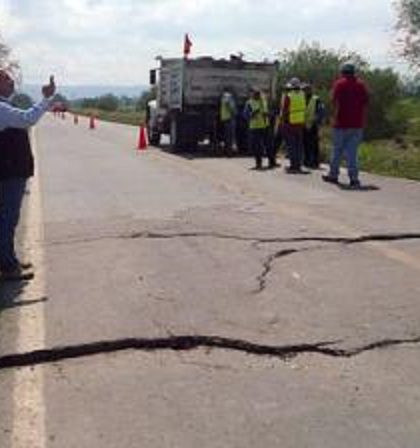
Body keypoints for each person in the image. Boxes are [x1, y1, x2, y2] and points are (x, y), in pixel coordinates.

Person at [0, 69, 56, 281]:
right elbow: (27, 119)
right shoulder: (1, 108)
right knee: (7, 219)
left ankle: (8, 258)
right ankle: (7, 265)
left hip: (10, 170)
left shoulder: (4, 105)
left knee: (6, 218)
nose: (11, 82)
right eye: (6, 79)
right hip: (9, 172)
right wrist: (46, 99)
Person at [323, 61, 369, 188]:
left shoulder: (339, 84)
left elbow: (333, 100)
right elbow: (366, 102)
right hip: (357, 124)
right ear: (354, 72)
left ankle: (333, 175)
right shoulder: (361, 85)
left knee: (337, 150)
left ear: (343, 72)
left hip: (341, 123)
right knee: (352, 153)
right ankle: (354, 179)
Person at [244, 87, 275, 169]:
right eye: (256, 94)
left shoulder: (264, 101)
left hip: (265, 126)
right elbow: (246, 116)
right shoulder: (249, 103)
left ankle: (272, 162)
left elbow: (269, 112)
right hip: (255, 127)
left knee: (269, 145)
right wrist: (253, 114)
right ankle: (259, 164)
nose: (258, 96)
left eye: (258, 94)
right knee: (257, 147)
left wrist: (268, 114)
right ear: (253, 95)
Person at [280, 77, 306, 173]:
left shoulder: (289, 96)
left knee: (291, 145)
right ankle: (298, 165)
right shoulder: (302, 94)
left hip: (290, 123)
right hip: (300, 123)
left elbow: (285, 110)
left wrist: (282, 121)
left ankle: (293, 166)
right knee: (298, 145)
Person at [303, 83, 325, 169]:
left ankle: (315, 162)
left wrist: (317, 120)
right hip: (304, 124)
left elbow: (321, 111)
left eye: (306, 90)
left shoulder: (316, 99)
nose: (305, 91)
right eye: (304, 90)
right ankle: (307, 161)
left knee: (314, 144)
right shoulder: (302, 98)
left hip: (313, 124)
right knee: (305, 144)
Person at [219, 88, 237, 156]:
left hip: (225, 118)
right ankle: (230, 152)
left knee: (227, 136)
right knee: (231, 136)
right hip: (230, 118)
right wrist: (234, 113)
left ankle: (227, 151)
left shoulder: (223, 97)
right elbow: (231, 106)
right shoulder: (229, 96)